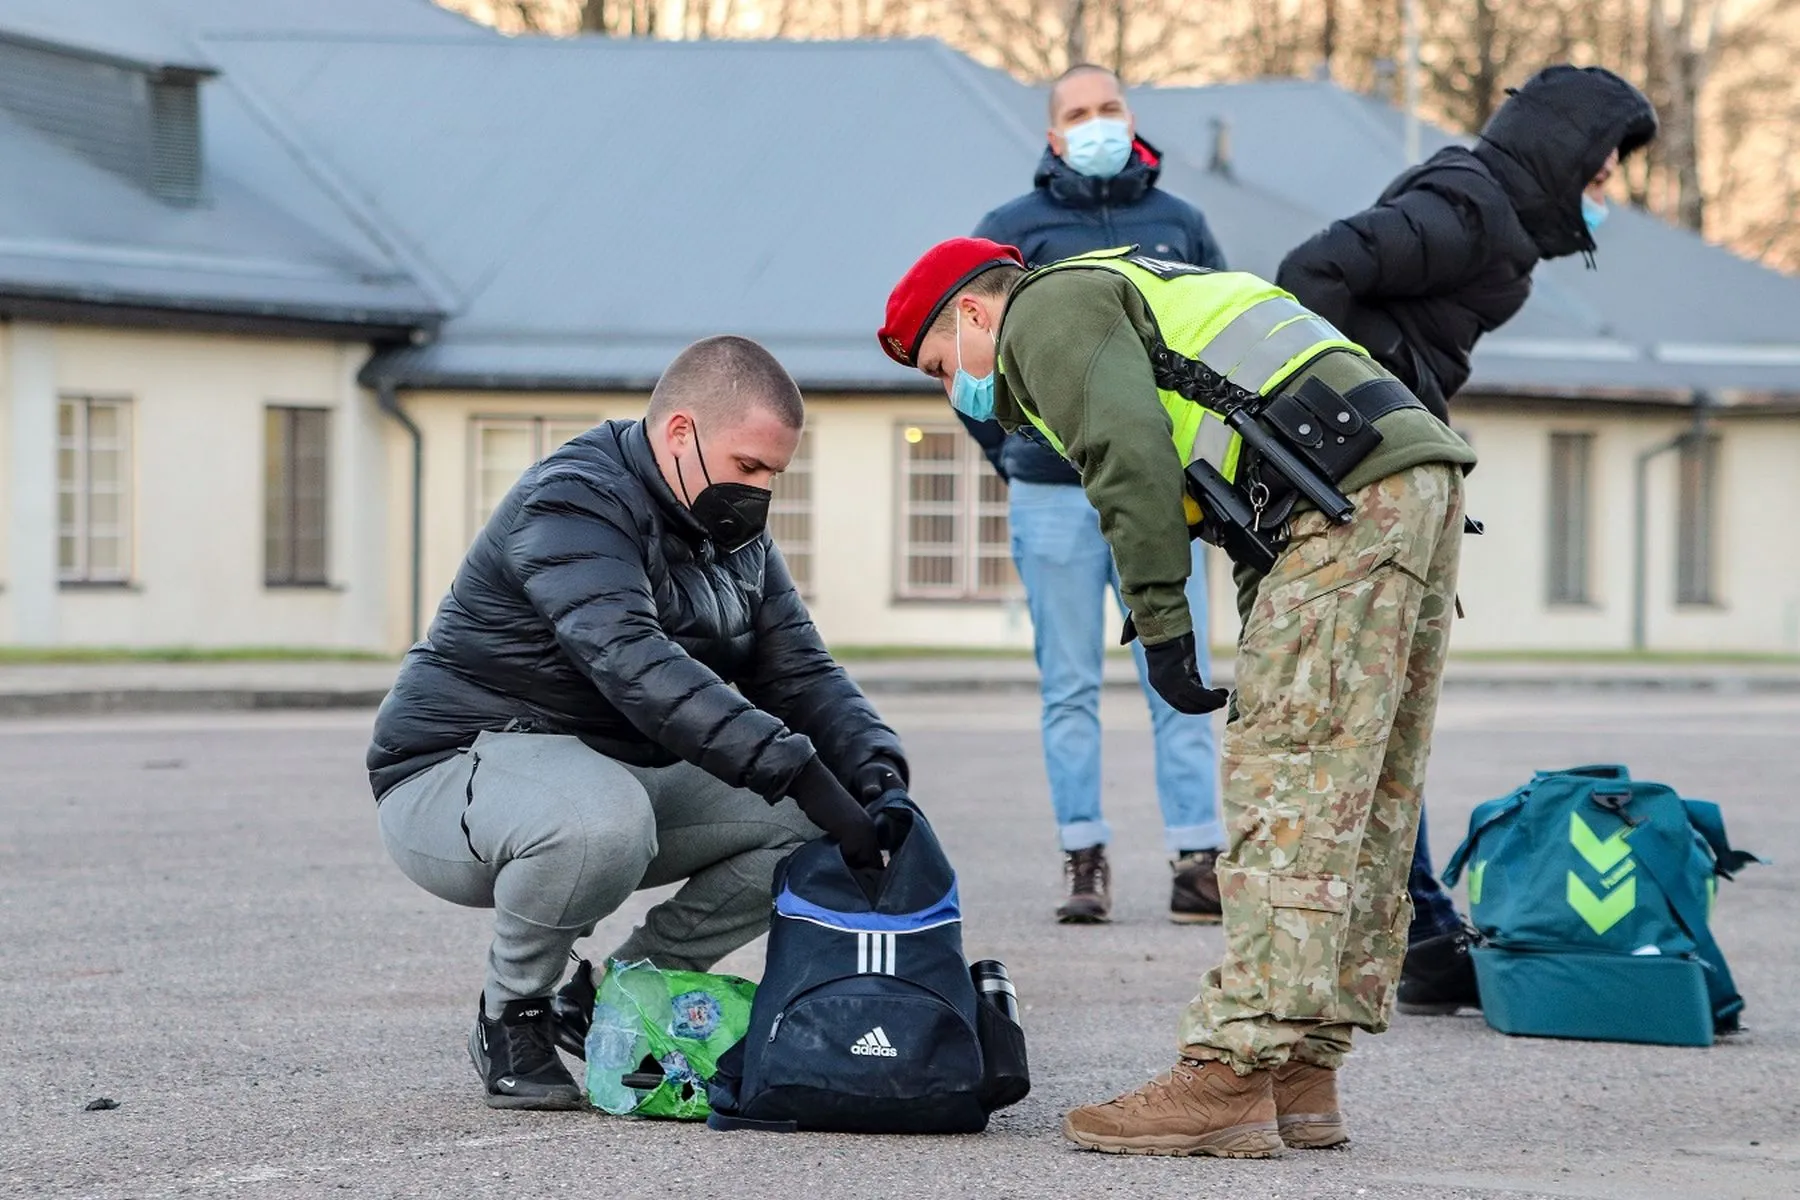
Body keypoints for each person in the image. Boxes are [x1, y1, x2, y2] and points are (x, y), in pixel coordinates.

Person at [879, 237, 1475, 1156]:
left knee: (1289, 791)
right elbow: (1240, 506)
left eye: (934, 365)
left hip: (1345, 495)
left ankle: (1231, 1074)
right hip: (1404, 480)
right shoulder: (1136, 281)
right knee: (1364, 793)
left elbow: (1127, 457)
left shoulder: (1045, 311)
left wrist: (1158, 624)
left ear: (971, 312)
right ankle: (1300, 1069)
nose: (947, 389)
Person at [367, 336, 908, 1110]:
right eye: (748, 467)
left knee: (815, 825)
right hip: (458, 768)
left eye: (774, 475)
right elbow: (632, 662)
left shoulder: (734, 537)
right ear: (681, 432)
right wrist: (795, 764)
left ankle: (622, 995)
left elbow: (801, 671)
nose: (759, 492)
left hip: (611, 764)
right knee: (599, 824)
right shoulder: (572, 500)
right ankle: (511, 1010)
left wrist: (876, 775)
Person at [1277, 64, 1657, 1015]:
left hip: (1382, 478)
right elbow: (1312, 271)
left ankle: (1416, 929)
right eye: (1602, 170)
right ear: (1562, 151)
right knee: (1362, 714)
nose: (1605, 192)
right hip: (1357, 483)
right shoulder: (1468, 207)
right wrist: (1352, 419)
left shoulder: (1496, 223)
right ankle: (1408, 931)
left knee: (1381, 713)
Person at [964, 63, 1230, 926]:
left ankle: (1198, 858)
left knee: (1177, 670)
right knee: (1068, 685)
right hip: (1052, 497)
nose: (1096, 123)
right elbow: (973, 360)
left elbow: (1222, 340)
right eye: (1078, 114)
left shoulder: (1180, 224)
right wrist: (1014, 453)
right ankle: (1083, 858)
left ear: (1132, 117)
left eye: (1109, 108)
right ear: (1052, 135)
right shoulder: (1013, 229)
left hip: (1163, 495)